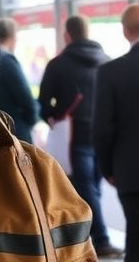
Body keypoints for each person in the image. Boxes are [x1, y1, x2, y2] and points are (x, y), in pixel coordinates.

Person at [40, 15, 124, 257]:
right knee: (94, 189)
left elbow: (43, 103)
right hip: (103, 134)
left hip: (73, 136)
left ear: (67, 35)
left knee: (84, 189)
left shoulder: (57, 65)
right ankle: (97, 239)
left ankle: (98, 239)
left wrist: (54, 117)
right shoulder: (107, 62)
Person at [96, 3, 139, 262]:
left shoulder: (111, 72)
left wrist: (107, 168)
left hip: (131, 173)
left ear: (124, 31)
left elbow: (102, 128)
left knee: (134, 241)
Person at [0, 17, 39, 142]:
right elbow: (26, 99)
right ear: (12, 38)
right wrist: (31, 120)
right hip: (14, 132)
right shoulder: (7, 61)